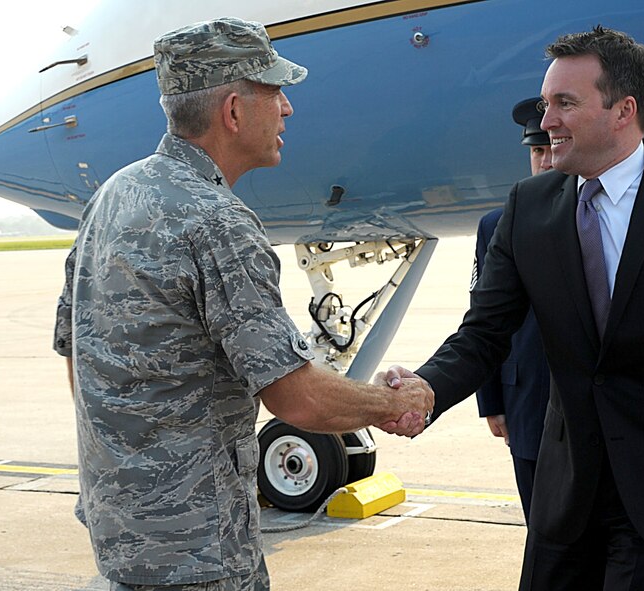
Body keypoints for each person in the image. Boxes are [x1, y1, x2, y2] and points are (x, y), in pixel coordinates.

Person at [379, 26, 644, 591]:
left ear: (623, 110)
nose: (547, 121)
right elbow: (484, 333)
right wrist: (427, 388)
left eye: (565, 103)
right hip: (565, 500)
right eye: (546, 103)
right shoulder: (528, 207)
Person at [53, 17, 432, 591]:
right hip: (200, 554)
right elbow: (297, 399)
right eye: (274, 92)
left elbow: (77, 356)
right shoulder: (217, 223)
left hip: (122, 537)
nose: (287, 109)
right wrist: (391, 403)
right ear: (233, 112)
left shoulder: (114, 195)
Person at [473, 97, 551, 524]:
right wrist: (491, 399)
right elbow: (483, 320)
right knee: (541, 533)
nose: (545, 161)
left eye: (553, 148)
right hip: (528, 405)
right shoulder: (496, 225)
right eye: (537, 151)